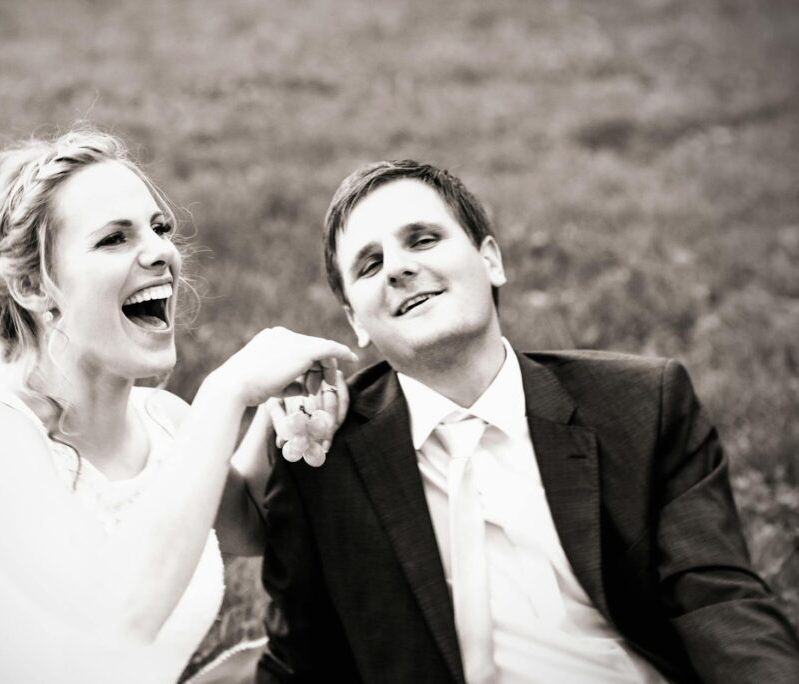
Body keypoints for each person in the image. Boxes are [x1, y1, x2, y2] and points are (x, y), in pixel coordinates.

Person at [0, 129, 354, 684]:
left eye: (159, 228)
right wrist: (226, 394)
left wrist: (276, 421)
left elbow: (249, 525)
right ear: (34, 287)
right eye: (113, 239)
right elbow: (118, 620)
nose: (161, 252)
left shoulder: (166, 423)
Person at [259, 160, 799, 683]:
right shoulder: (320, 458)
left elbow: (720, 601)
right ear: (354, 319)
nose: (398, 267)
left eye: (422, 240)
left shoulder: (644, 405)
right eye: (370, 264)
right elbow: (303, 664)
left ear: (490, 260)